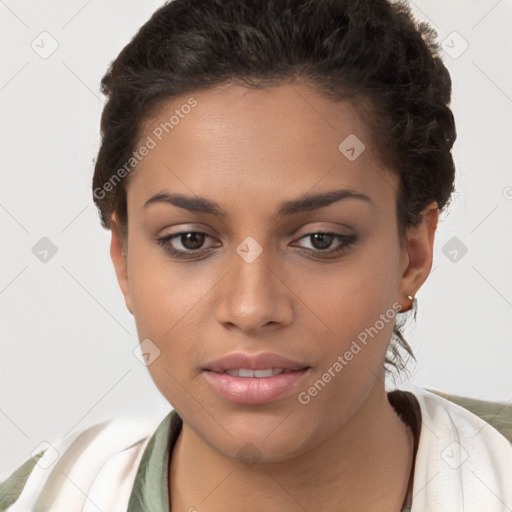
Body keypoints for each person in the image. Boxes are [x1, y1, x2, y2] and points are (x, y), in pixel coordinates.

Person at [1, 0, 511, 510]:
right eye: (190, 240)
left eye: (320, 240)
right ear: (124, 261)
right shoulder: (42, 498)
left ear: (413, 255)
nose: (251, 308)